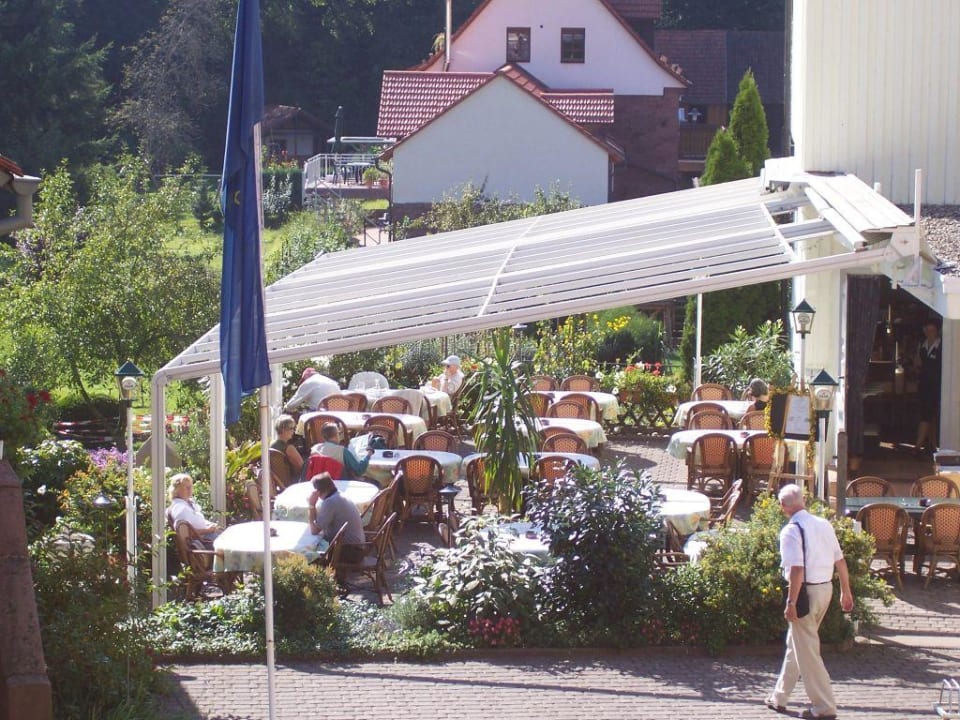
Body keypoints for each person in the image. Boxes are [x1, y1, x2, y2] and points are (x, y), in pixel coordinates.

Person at [766, 484, 854, 720]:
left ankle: (825, 706)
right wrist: (846, 591)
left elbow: (797, 570)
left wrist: (791, 602)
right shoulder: (823, 524)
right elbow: (841, 561)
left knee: (808, 651)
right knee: (798, 644)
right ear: (803, 500)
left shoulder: (791, 531)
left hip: (805, 594)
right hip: (826, 589)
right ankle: (779, 697)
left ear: (782, 507)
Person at [307, 472, 366, 580]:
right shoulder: (339, 495)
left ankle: (321, 587)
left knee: (310, 558)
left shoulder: (330, 502)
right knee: (318, 547)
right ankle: (334, 581)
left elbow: (314, 530)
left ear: (317, 491)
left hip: (349, 552)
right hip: (358, 548)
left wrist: (311, 505)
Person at [166, 473, 221, 549]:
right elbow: (185, 534)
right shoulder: (179, 508)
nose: (190, 489)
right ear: (176, 490)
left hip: (208, 539)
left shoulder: (188, 504)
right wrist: (207, 530)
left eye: (191, 487)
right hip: (202, 544)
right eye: (187, 487)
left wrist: (210, 525)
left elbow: (197, 521)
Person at [914, 319, 942, 456]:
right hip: (924, 385)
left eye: (932, 331)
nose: (929, 334)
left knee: (928, 415)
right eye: (926, 330)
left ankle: (917, 446)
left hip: (938, 386)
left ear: (937, 332)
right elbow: (917, 363)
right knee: (928, 415)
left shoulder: (942, 345)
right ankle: (932, 444)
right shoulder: (922, 345)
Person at [271, 414, 306, 482]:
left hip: (278, 482)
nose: (294, 431)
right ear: (284, 429)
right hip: (292, 482)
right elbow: (303, 467)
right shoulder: (289, 448)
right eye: (292, 428)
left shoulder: (272, 446)